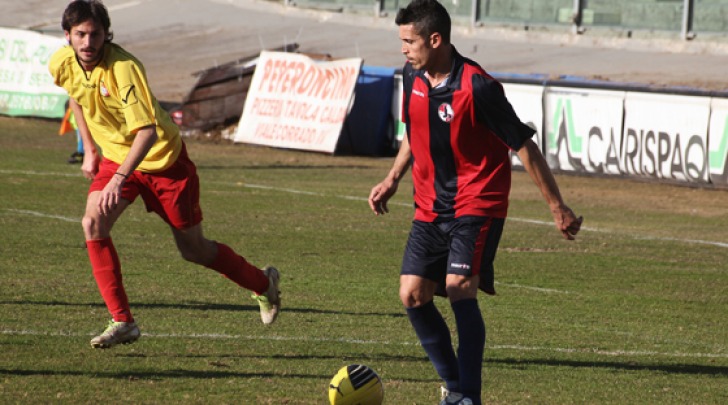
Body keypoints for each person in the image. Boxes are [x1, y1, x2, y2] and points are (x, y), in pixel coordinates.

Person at [367, 1, 583, 404]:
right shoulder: (411, 75)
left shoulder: (478, 86)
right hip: (429, 205)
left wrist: (557, 206)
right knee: (412, 294)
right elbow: (414, 133)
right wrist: (392, 178)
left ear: (436, 39)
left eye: (409, 41)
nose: (403, 49)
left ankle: (470, 397)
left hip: (477, 201)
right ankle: (455, 387)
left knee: (460, 287)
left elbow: (523, 146)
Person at [48, 0, 281, 349]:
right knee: (92, 223)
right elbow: (76, 96)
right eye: (80, 34)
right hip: (117, 159)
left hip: (163, 162)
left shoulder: (124, 69)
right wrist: (92, 150)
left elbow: (148, 132)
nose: (88, 42)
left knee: (195, 250)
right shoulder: (63, 62)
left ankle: (263, 284)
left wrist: (118, 179)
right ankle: (123, 321)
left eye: (95, 34)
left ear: (107, 35)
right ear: (67, 35)